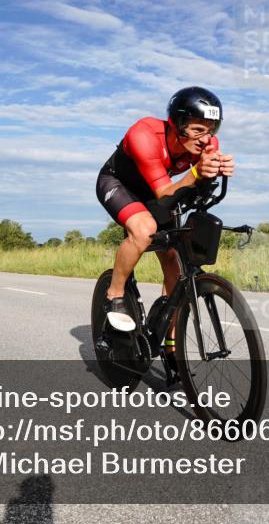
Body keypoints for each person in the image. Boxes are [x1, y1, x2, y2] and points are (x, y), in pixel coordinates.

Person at [95, 87, 235, 354]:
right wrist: (196, 171)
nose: (207, 139)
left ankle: (171, 344)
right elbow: (163, 192)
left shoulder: (207, 144)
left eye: (212, 129)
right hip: (118, 183)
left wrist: (215, 173)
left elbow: (193, 185)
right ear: (177, 125)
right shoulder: (144, 135)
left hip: (154, 189)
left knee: (175, 257)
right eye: (197, 130)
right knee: (144, 230)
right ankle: (114, 296)